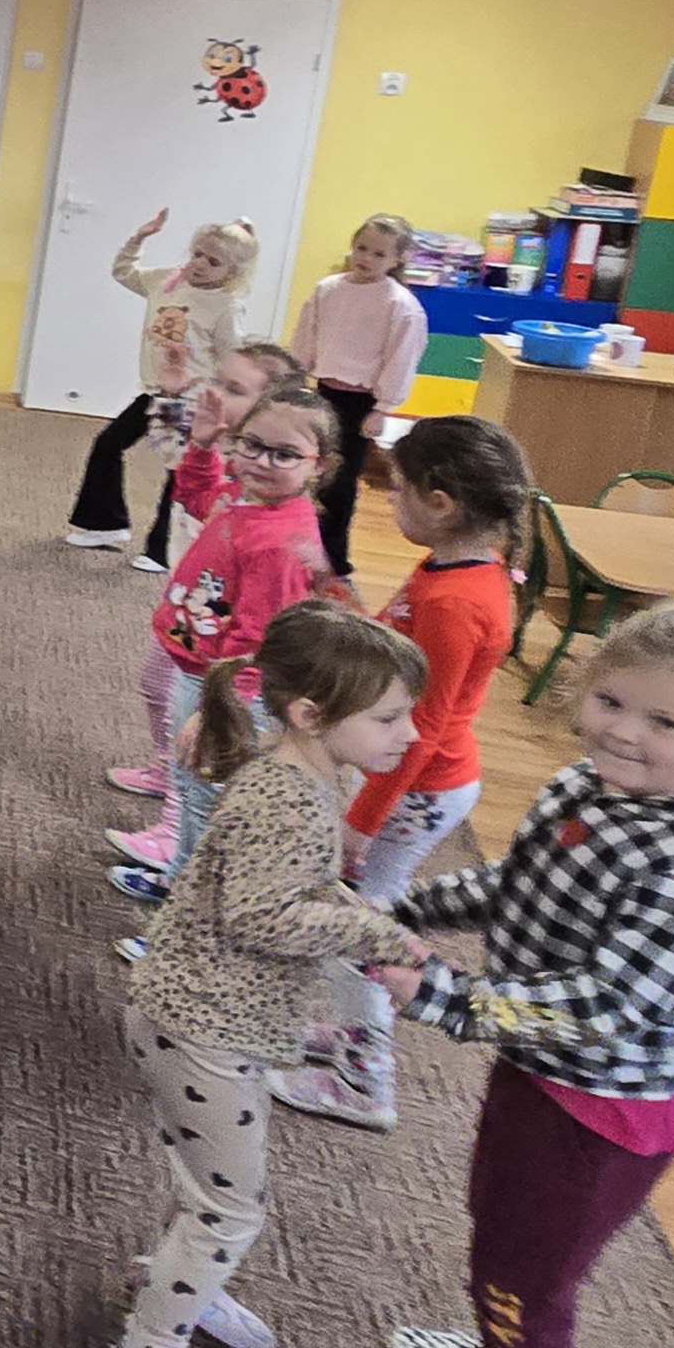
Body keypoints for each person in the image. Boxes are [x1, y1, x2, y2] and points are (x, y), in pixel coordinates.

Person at [375, 602, 674, 1348]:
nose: (624, 732)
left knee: (529, 1265)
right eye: (612, 701)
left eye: (665, 722)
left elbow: (607, 1006)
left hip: (602, 1109)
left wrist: (443, 995)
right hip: (539, 1066)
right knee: (499, 1225)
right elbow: (518, 886)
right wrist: (407, 911)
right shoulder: (586, 787)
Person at [100, 603, 429, 1348]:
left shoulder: (309, 777)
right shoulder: (287, 798)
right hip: (203, 1030)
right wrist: (376, 933)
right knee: (230, 1212)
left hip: (205, 1018)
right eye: (390, 717)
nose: (410, 734)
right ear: (311, 715)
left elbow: (293, 895)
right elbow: (266, 917)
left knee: (209, 1188)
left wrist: (364, 915)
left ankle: (179, 1284)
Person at [279, 418, 531, 1132]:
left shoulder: (457, 601)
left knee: (360, 927)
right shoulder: (455, 569)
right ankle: (348, 1034)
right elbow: (399, 653)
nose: (390, 501)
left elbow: (426, 722)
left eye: (399, 490)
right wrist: (338, 596)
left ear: (441, 503)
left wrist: (364, 820)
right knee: (359, 917)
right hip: (414, 783)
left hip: (417, 787)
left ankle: (366, 1081)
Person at [102, 342, 309, 899]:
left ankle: (176, 846)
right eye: (219, 381)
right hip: (191, 635)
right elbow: (194, 494)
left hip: (216, 669)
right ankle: (166, 783)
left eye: (234, 389)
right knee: (164, 709)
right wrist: (197, 442)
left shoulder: (277, 532)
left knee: (201, 771)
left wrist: (225, 701)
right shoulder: (242, 486)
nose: (215, 394)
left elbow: (259, 636)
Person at [63, 213, 257, 570]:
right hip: (155, 391)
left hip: (191, 400)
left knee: (179, 471)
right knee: (108, 445)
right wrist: (139, 238)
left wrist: (224, 402)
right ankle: (103, 524)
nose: (200, 264)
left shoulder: (226, 307)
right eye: (197, 254)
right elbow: (124, 272)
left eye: (213, 262)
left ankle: (162, 550)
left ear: (233, 272)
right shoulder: (167, 280)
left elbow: (231, 359)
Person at [293, 214, 429, 577]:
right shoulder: (328, 289)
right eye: (361, 248)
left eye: (379, 254)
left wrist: (383, 408)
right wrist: (296, 376)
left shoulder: (400, 306)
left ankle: (333, 556)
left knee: (340, 481)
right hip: (324, 393)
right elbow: (307, 334)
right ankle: (299, 544)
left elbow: (401, 359)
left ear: (397, 259)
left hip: (361, 403)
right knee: (307, 469)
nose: (366, 258)